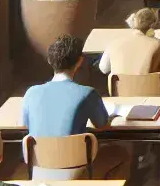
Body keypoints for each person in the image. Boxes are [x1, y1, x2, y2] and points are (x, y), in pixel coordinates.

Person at [20, 34, 130, 178]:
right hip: (74, 167)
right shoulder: (88, 93)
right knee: (121, 153)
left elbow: (23, 126)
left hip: (39, 168)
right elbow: (102, 125)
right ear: (79, 61)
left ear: (49, 60)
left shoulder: (31, 93)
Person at [97, 6, 160, 94]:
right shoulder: (157, 44)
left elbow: (104, 68)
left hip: (120, 94)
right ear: (152, 27)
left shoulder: (114, 43)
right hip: (151, 94)